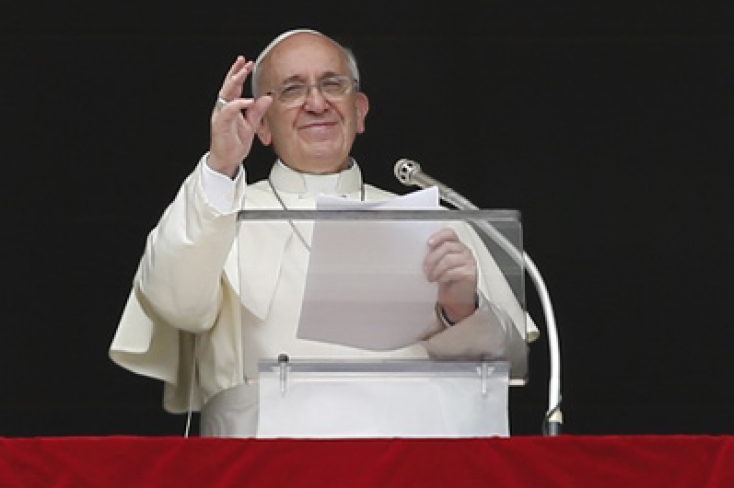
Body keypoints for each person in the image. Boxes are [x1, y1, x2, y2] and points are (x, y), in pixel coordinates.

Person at [109, 29, 535, 437]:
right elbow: (176, 305)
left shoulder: (432, 218)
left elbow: (511, 361)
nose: (317, 103)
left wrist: (462, 310)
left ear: (360, 111)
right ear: (261, 123)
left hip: (413, 463)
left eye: (333, 85)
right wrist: (220, 168)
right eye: (292, 90)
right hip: (264, 465)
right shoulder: (218, 208)